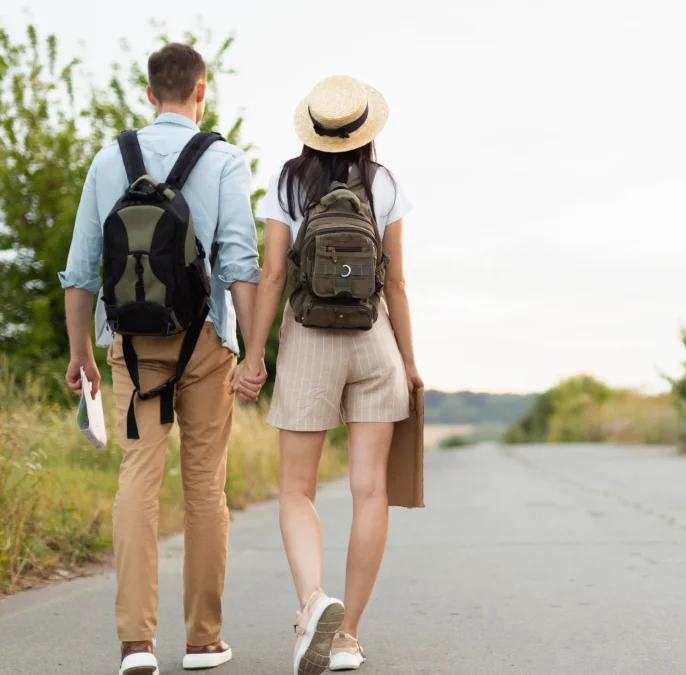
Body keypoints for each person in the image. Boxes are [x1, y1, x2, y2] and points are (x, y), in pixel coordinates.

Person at [60, 43, 262, 675]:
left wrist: (81, 353)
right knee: (204, 487)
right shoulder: (224, 160)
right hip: (206, 341)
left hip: (132, 345)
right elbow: (240, 264)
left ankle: (135, 644)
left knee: (138, 479)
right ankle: (203, 641)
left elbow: (80, 268)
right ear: (202, 90)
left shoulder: (108, 159)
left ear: (149, 94)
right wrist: (252, 351)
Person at [233, 74, 422, 675]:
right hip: (374, 341)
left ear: (311, 130)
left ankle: (313, 603)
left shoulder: (287, 181)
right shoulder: (384, 182)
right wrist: (409, 363)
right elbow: (396, 282)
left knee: (297, 489)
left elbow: (271, 275)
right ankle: (347, 637)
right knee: (371, 490)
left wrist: (254, 356)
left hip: (310, 339)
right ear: (365, 130)